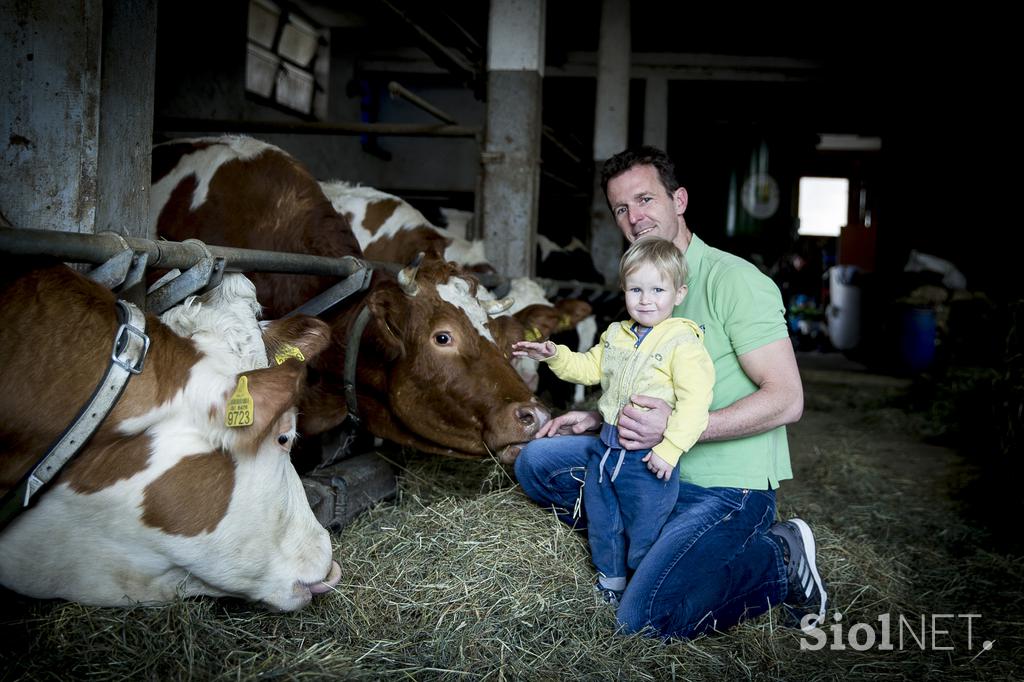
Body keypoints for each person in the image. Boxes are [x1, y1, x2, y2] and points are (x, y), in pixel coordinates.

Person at [514, 146, 828, 638]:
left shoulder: (736, 281)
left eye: (644, 199)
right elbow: (640, 375)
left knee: (643, 622)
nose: (635, 218)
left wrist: (678, 428)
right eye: (622, 208)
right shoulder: (644, 281)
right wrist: (605, 419)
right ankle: (643, 544)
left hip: (724, 485)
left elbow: (787, 399)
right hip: (646, 466)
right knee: (536, 461)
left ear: (679, 200)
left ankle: (777, 561)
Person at [512, 238, 714, 606]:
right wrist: (554, 354)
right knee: (604, 521)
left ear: (679, 293)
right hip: (605, 451)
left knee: (645, 525)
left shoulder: (683, 343)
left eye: (658, 289)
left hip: (645, 455)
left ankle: (645, 584)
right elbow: (590, 368)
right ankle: (612, 579)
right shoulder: (617, 335)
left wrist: (670, 449)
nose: (646, 299)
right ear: (623, 290)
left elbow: (696, 402)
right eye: (636, 289)